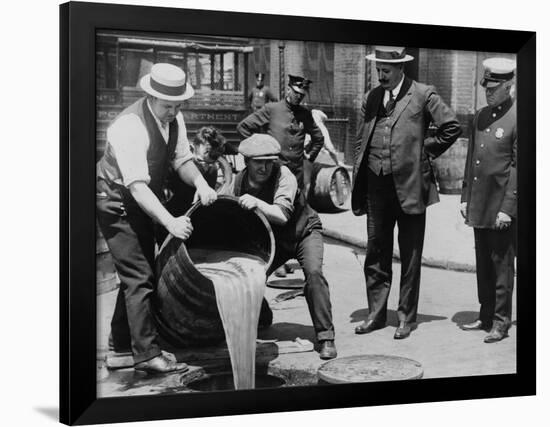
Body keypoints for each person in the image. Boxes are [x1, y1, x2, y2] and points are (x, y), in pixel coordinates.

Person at [96, 63, 218, 374]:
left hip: (138, 197)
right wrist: (171, 222)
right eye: (167, 106)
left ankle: (120, 349)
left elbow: (182, 160)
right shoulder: (129, 126)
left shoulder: (174, 118)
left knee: (140, 272)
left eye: (178, 106)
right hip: (114, 199)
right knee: (139, 276)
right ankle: (147, 354)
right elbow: (137, 187)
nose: (173, 112)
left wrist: (201, 182)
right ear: (151, 96)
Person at [351, 46, 462, 339]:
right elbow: (361, 141)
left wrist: (423, 151)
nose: (381, 75)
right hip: (376, 187)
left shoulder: (423, 94)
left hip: (411, 186)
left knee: (411, 256)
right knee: (375, 251)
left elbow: (451, 127)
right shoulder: (372, 97)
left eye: (386, 70)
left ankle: (406, 318)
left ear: (401, 68)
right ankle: (375, 314)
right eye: (378, 70)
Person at [225, 134, 337, 360]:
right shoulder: (238, 182)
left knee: (314, 275)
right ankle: (262, 314)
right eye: (258, 162)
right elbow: (222, 202)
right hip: (275, 240)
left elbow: (282, 215)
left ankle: (326, 337)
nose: (265, 167)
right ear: (246, 161)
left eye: (269, 161)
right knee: (249, 276)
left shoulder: (284, 175)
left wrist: (256, 202)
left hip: (304, 231)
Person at [459, 57, 517, 343]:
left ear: (509, 86)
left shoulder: (520, 117)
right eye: (486, 87)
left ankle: (501, 321)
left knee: (501, 265)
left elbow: (519, 168)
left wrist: (508, 208)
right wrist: (464, 196)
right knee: (483, 262)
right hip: (480, 203)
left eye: (494, 87)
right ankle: (485, 315)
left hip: (501, 205)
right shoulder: (480, 116)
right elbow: (472, 159)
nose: (488, 91)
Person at [237, 74, 324, 191]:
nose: (299, 97)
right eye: (296, 93)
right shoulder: (272, 109)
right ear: (288, 90)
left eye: (302, 95)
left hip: (296, 172)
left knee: (297, 205)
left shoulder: (305, 114)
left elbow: (318, 138)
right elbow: (243, 127)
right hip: (274, 171)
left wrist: (310, 156)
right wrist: (259, 150)